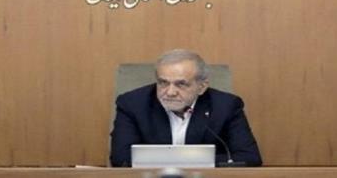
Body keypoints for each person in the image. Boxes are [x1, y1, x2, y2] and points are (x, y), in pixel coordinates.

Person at [110, 49, 262, 167]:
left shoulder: (226, 106)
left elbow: (249, 157)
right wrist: (195, 160)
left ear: (201, 87)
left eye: (181, 84)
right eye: (163, 83)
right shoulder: (132, 104)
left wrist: (178, 161)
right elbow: (121, 158)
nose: (170, 92)